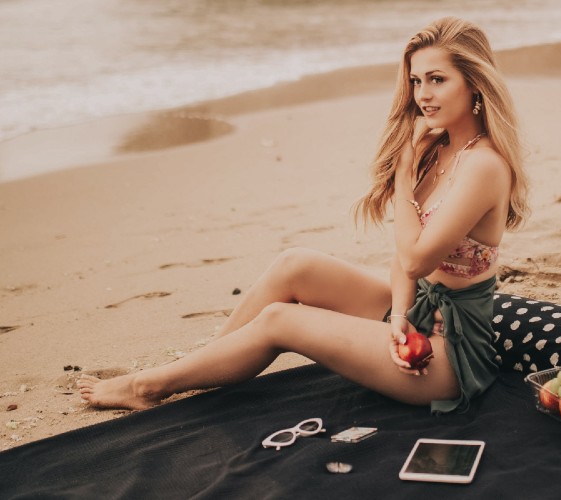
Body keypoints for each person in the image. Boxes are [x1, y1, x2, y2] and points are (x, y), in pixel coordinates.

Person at [78, 16, 529, 414]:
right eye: (415, 81)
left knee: (280, 320)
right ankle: (201, 367)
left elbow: (416, 258)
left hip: (448, 355)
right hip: (413, 313)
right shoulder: (438, 148)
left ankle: (148, 385)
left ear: (472, 81)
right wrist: (396, 319)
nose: (422, 95)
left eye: (437, 80)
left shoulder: (484, 165)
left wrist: (406, 174)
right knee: (295, 264)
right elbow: (400, 260)